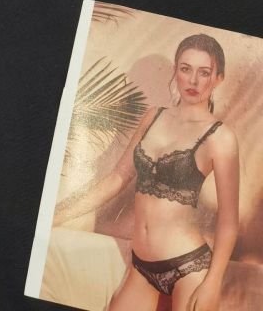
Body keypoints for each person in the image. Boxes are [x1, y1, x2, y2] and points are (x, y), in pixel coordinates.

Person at [53, 34, 240, 311]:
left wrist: (212, 282)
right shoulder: (153, 116)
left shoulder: (220, 137)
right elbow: (116, 178)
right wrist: (56, 215)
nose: (193, 80)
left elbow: (228, 220)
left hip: (189, 267)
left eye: (204, 72)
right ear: (175, 70)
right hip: (141, 268)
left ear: (218, 78)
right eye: (185, 69)